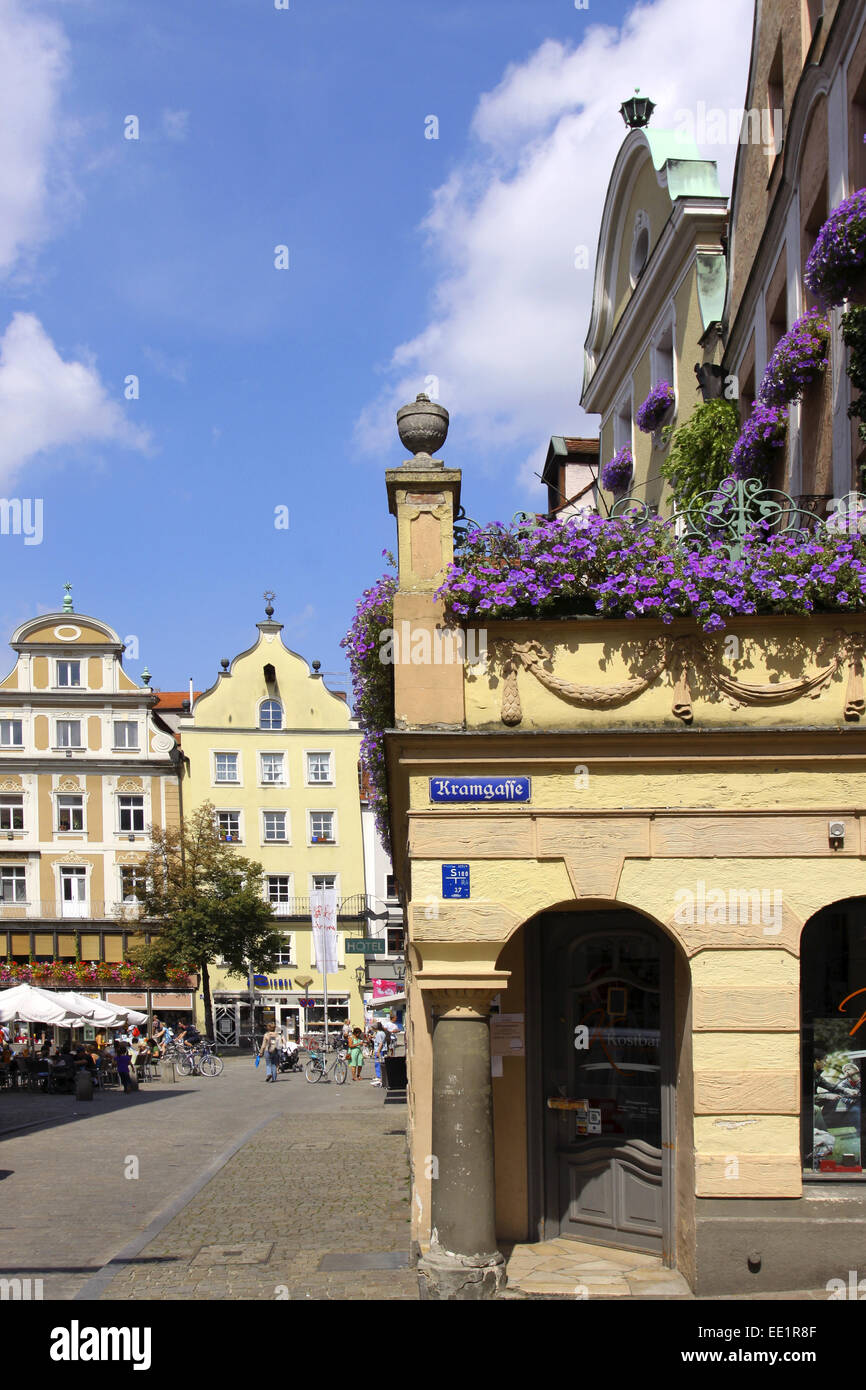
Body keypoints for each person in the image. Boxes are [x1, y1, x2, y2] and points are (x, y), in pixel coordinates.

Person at [371, 1018, 387, 1087]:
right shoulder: (381, 1033)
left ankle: (379, 1077)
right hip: (382, 1050)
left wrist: (378, 1051)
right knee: (380, 1063)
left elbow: (380, 1043)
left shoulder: (379, 1033)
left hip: (379, 1050)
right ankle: (380, 1077)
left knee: (378, 1064)